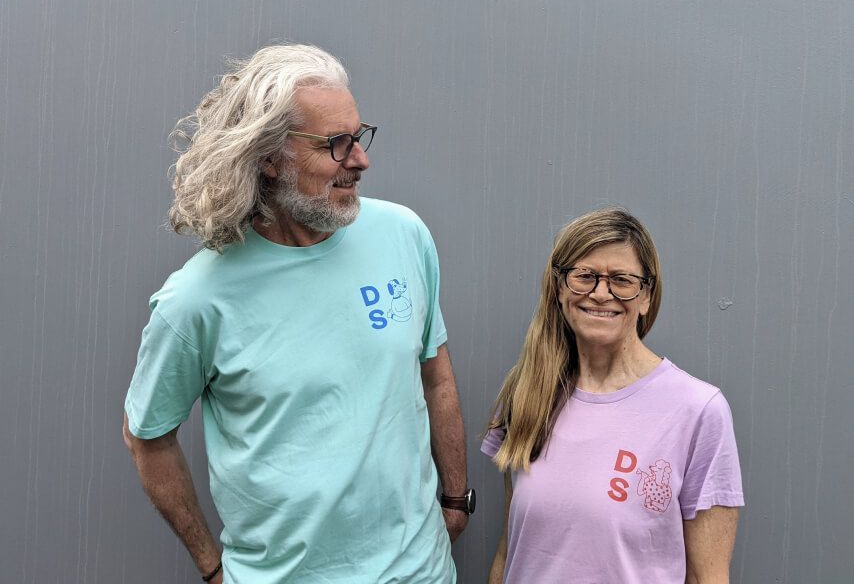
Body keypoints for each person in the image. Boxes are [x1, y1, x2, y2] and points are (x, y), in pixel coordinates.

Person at [122, 44, 473, 583]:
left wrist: (455, 498)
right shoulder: (195, 301)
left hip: (421, 571)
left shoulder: (403, 235)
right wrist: (212, 567)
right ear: (268, 156)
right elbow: (147, 436)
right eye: (335, 144)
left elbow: (435, 375)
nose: (360, 160)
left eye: (360, 136)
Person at [482, 208, 743, 584]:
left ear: (646, 296)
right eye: (584, 276)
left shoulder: (697, 411)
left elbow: (708, 577)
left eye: (621, 280)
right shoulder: (528, 394)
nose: (601, 293)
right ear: (559, 287)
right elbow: (510, 552)